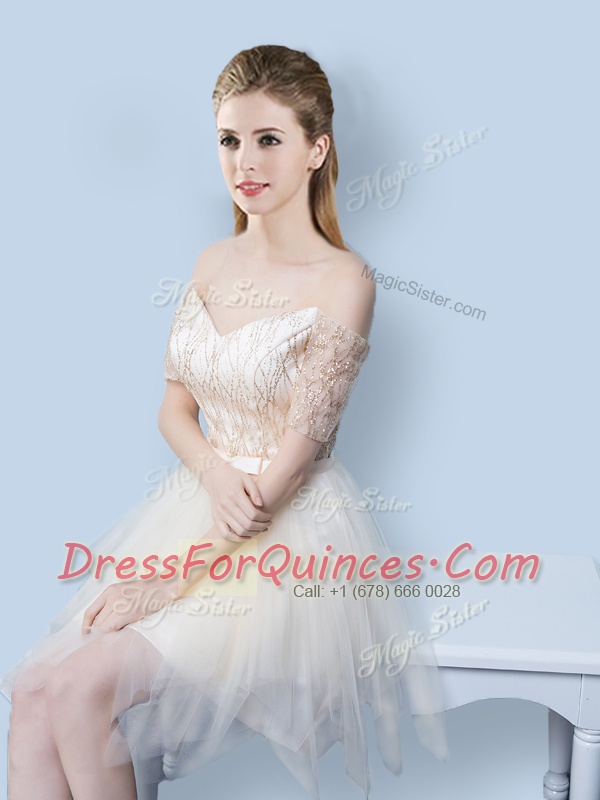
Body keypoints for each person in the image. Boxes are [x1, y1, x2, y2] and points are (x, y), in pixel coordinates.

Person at [1, 44, 449, 800]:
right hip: (200, 504)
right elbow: (174, 406)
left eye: (269, 139)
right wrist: (211, 470)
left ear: (316, 149)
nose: (245, 161)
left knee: (78, 689)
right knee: (32, 692)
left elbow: (287, 471)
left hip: (282, 534)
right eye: (229, 139)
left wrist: (164, 582)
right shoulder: (212, 262)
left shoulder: (345, 281)